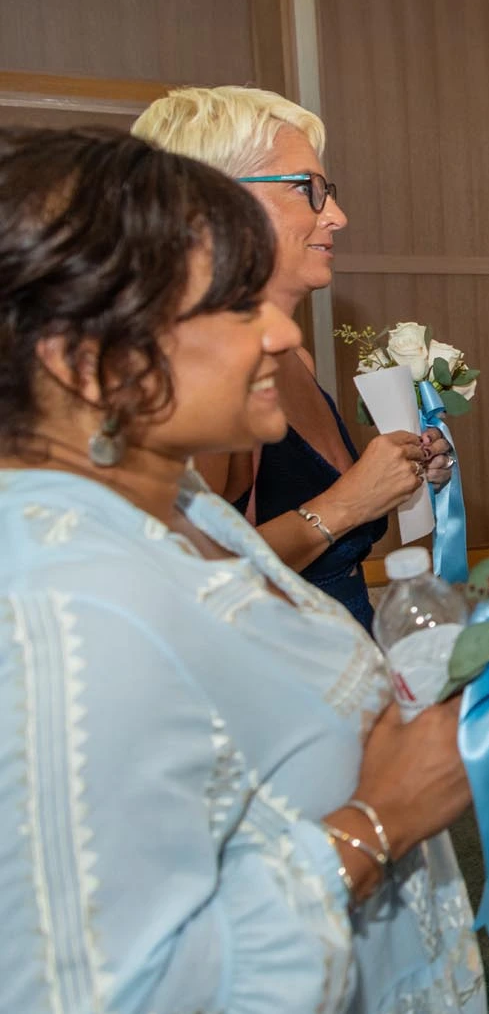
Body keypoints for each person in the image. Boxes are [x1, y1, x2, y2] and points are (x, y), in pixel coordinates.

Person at [0, 126, 489, 1014]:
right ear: (82, 359)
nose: (277, 332)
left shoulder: (176, 507)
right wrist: (379, 821)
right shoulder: (55, 608)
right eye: (234, 306)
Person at [132, 86, 449, 631]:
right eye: (309, 189)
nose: (338, 216)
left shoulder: (291, 355)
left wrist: (399, 473)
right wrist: (348, 502)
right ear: (218, 203)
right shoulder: (193, 380)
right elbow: (182, 589)